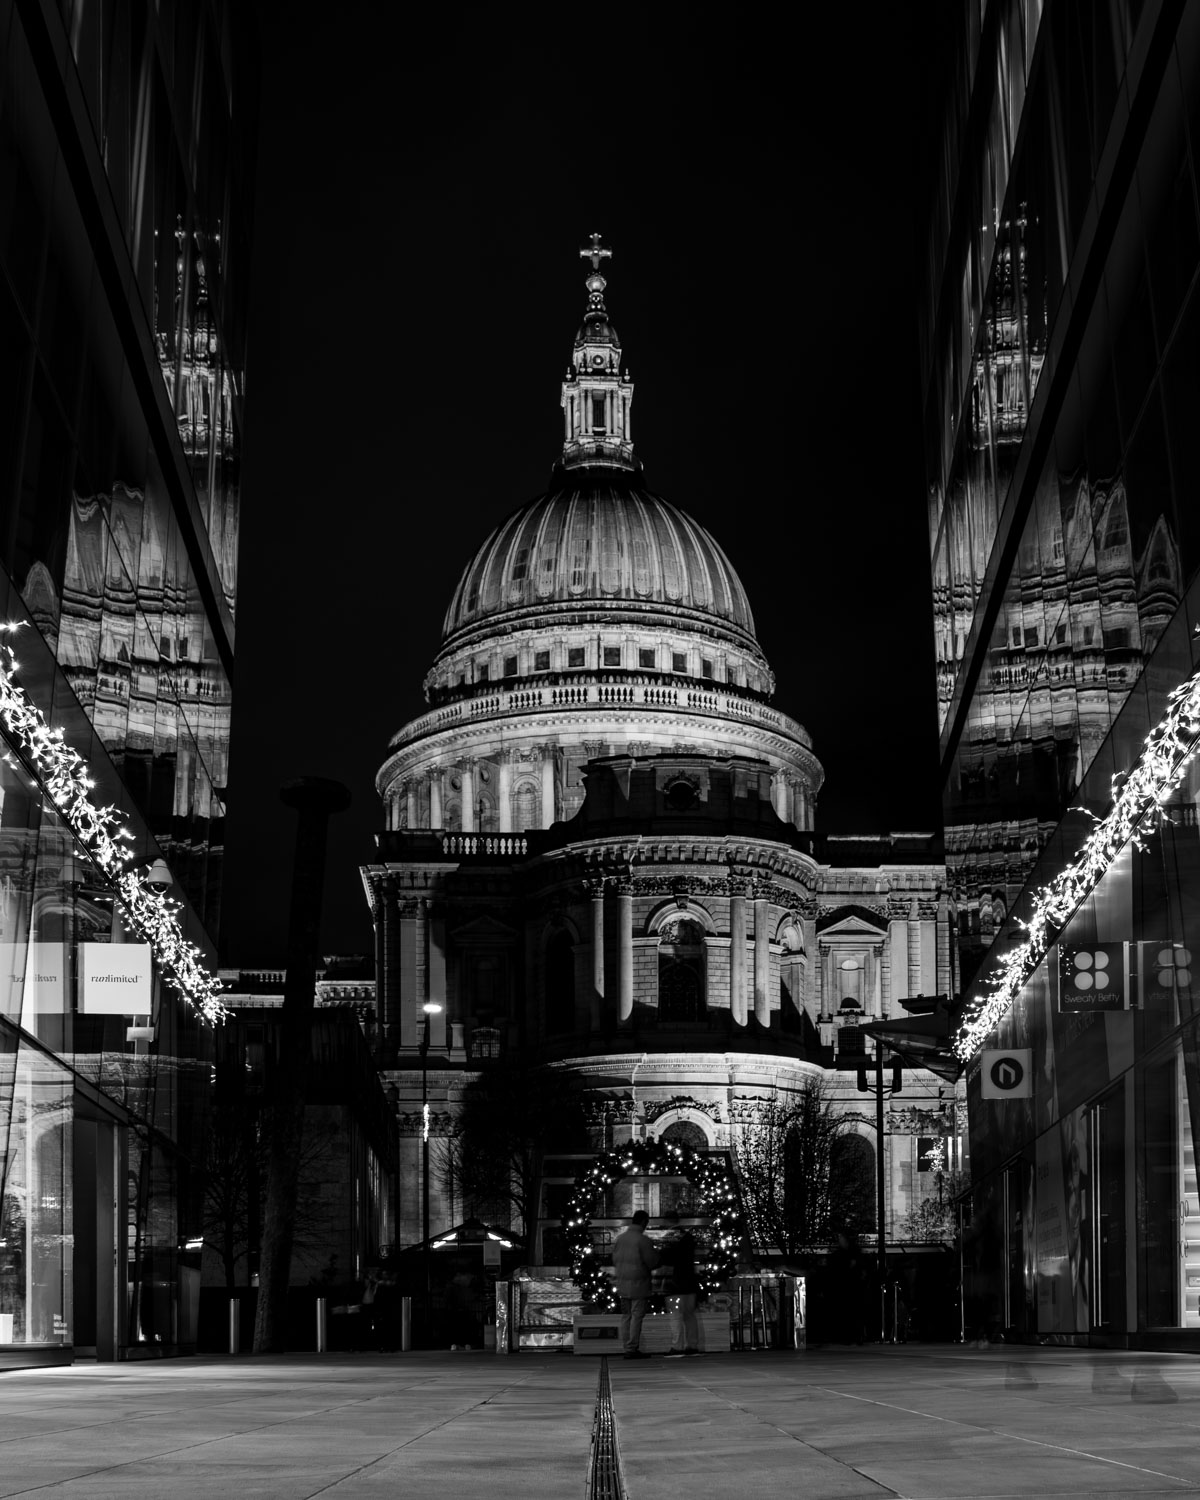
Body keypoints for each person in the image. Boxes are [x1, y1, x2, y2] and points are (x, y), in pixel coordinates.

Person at [612, 1209, 659, 1359]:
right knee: (637, 1316)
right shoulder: (643, 1240)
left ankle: (626, 1347)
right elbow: (652, 1261)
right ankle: (632, 1348)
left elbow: (614, 1260)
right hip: (639, 1284)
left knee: (626, 1316)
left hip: (622, 1284)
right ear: (644, 1222)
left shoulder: (620, 1239)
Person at [660, 1209, 703, 1358]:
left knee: (675, 1316)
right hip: (690, 1282)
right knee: (690, 1316)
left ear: (666, 1221)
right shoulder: (688, 1237)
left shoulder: (670, 1237)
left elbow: (665, 1258)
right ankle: (692, 1345)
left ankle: (677, 1346)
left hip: (675, 1283)